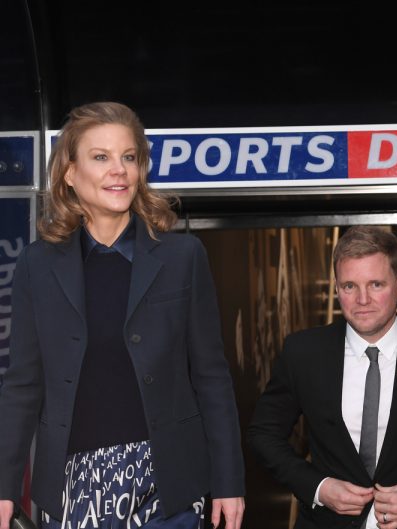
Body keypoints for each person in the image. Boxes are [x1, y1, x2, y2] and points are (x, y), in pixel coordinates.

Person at [0, 102, 245, 529]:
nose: (119, 170)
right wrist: (4, 487)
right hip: (74, 486)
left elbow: (211, 377)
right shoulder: (36, 266)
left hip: (169, 484)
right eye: (101, 157)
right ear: (70, 173)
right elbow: (23, 385)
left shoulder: (183, 257)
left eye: (129, 157)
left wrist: (229, 481)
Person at [248, 226, 397, 529]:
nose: (362, 299)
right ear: (336, 289)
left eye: (376, 284)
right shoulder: (303, 352)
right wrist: (318, 488)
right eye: (349, 286)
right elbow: (263, 434)